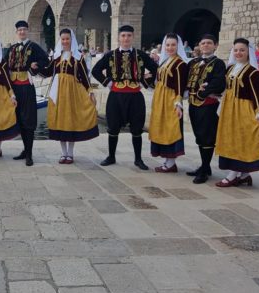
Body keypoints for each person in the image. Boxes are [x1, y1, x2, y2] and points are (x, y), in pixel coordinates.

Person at [91, 25, 158, 170]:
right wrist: (108, 83)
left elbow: (155, 69)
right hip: (116, 95)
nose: (126, 38)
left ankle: (138, 159)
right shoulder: (110, 55)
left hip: (135, 96)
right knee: (113, 126)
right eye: (123, 35)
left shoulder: (140, 55)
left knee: (137, 128)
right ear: (119, 38)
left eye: (128, 35)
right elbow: (95, 70)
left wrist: (144, 83)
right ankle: (111, 156)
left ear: (133, 37)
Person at [215, 38, 259, 187]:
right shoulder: (230, 68)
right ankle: (244, 175)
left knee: (240, 139)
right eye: (236, 50)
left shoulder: (252, 72)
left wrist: (258, 111)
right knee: (230, 137)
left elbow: (255, 93)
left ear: (248, 52)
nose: (238, 53)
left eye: (242, 50)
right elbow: (225, 87)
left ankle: (233, 175)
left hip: (243, 109)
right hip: (229, 108)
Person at [41, 29, 99, 163]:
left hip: (72, 92)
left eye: (67, 39)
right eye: (63, 39)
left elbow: (84, 76)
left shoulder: (78, 57)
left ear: (71, 40)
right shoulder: (56, 57)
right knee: (61, 121)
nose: (65, 41)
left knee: (71, 120)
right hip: (58, 92)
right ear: (60, 40)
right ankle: (63, 153)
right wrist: (34, 68)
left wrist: (90, 92)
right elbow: (48, 71)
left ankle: (70, 153)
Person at [3, 20, 48, 166]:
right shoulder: (12, 48)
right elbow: (3, 65)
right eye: (19, 30)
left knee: (28, 121)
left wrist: (35, 66)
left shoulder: (33, 46)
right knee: (20, 121)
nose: (22, 32)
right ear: (16, 32)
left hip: (27, 87)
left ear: (27, 31)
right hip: (14, 89)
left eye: (24, 29)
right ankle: (25, 149)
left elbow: (45, 60)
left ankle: (29, 154)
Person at [185, 34, 226, 184]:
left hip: (208, 105)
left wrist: (203, 92)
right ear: (199, 46)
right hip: (193, 104)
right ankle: (205, 166)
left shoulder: (218, 63)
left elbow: (219, 83)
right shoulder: (193, 62)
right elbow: (185, 79)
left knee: (207, 136)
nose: (206, 45)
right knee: (199, 136)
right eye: (203, 43)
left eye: (209, 43)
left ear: (215, 45)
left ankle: (204, 170)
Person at [149, 33, 189, 173]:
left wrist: (178, 104)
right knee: (162, 127)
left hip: (170, 100)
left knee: (171, 128)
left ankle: (171, 162)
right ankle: (168, 161)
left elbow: (180, 85)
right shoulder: (165, 61)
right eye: (167, 45)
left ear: (178, 46)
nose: (170, 47)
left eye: (173, 45)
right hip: (160, 99)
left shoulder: (180, 64)